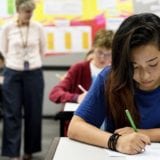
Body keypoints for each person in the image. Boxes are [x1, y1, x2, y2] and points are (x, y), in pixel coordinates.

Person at [67, 12, 160, 155]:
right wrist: (115, 141)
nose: (145, 75)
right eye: (133, 66)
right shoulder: (111, 78)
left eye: (153, 64)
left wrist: (142, 133)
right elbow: (75, 127)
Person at [0, 0, 45, 159]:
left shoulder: (38, 27)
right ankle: (13, 153)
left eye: (31, 12)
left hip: (33, 73)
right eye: (26, 11)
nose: (29, 15)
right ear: (18, 10)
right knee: (12, 113)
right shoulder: (7, 28)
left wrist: (32, 62)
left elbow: (42, 50)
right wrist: (15, 62)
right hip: (12, 73)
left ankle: (29, 151)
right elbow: (4, 50)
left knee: (34, 113)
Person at [49, 29, 114, 104]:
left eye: (108, 54)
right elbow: (55, 93)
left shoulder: (115, 72)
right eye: (99, 52)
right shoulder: (79, 68)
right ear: (93, 48)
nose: (102, 58)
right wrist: (76, 97)